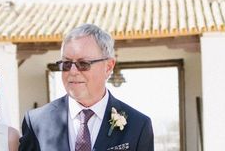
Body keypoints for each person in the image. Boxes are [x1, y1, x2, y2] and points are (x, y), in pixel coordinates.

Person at [19, 23, 153, 151]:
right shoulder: (36, 122)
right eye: (66, 63)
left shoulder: (138, 125)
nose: (72, 71)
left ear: (108, 67)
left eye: (83, 63)